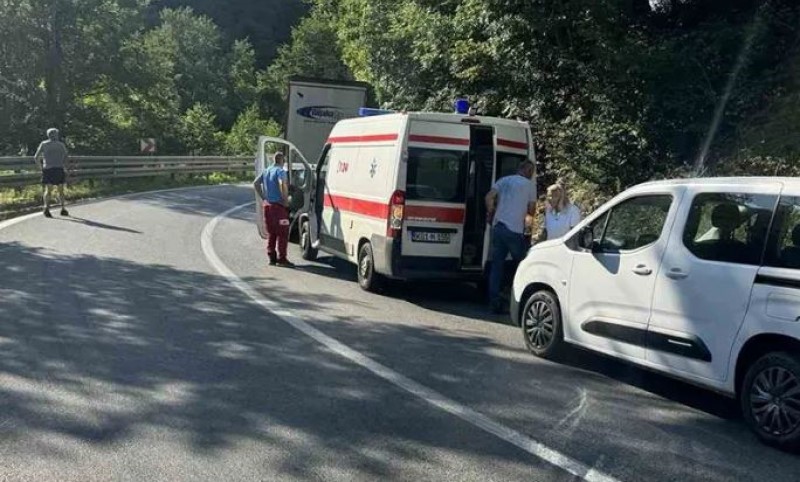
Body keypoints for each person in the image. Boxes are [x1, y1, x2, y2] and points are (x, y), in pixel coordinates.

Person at [485, 160, 537, 313]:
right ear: (528, 171)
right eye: (532, 171)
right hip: (514, 230)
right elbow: (532, 210)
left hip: (498, 227)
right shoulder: (529, 185)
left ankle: (494, 301)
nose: (532, 174)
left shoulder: (504, 180)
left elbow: (488, 197)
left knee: (497, 266)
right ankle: (519, 300)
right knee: (523, 264)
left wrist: (491, 213)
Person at [254, 152, 294, 267]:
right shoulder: (280, 171)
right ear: (282, 160)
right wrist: (285, 200)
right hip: (278, 207)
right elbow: (282, 184)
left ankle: (272, 257)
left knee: (272, 233)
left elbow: (256, 183)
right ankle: (282, 259)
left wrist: (263, 197)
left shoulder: (267, 171)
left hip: (268, 207)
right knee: (282, 233)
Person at [33, 128, 69, 218]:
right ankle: (63, 208)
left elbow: (36, 157)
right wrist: (65, 166)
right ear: (56, 135)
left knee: (48, 190)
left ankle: (46, 208)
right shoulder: (61, 145)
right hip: (59, 168)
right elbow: (66, 156)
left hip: (48, 169)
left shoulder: (44, 144)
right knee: (61, 190)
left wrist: (40, 168)